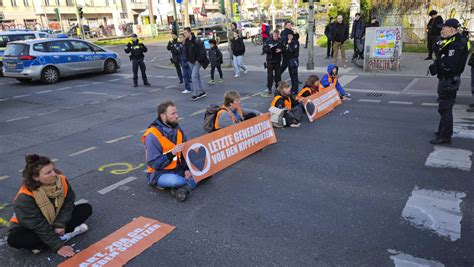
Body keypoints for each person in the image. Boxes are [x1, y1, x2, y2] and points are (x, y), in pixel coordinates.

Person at [7, 154, 92, 257]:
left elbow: (68, 204)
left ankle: (43, 244)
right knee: (14, 239)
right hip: (30, 226)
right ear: (36, 177)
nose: (54, 174)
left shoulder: (61, 181)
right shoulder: (25, 197)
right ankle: (66, 236)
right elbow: (38, 225)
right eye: (48, 173)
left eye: (53, 170)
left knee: (85, 209)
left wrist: (60, 223)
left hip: (55, 219)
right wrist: (58, 246)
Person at [142, 101, 197, 201]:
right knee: (177, 181)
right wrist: (171, 154)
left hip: (178, 169)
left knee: (205, 172)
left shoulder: (177, 129)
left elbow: (183, 154)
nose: (177, 116)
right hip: (159, 173)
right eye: (173, 113)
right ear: (163, 116)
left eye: (176, 112)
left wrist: (186, 169)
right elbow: (153, 163)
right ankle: (185, 185)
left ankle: (183, 188)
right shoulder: (152, 135)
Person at [430, 19, 470, 144]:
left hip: (449, 80)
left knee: (445, 108)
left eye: (444, 28)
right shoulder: (455, 40)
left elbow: (449, 65)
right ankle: (442, 130)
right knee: (444, 107)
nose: (442, 30)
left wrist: (438, 63)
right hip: (448, 79)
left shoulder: (456, 44)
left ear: (452, 29)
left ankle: (445, 136)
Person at [183, 27, 209, 101]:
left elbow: (203, 51)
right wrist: (187, 60)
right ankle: (202, 91)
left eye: (185, 33)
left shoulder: (196, 40)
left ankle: (196, 93)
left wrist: (198, 60)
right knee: (197, 75)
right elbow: (185, 51)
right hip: (190, 61)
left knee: (193, 76)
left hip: (197, 61)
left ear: (189, 32)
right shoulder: (187, 41)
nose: (184, 34)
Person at [263, 30, 284, 95]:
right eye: (274, 36)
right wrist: (270, 49)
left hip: (277, 60)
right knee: (270, 76)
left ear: (278, 36)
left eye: (276, 36)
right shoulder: (268, 40)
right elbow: (264, 49)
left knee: (278, 76)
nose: (275, 37)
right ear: (273, 35)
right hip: (270, 60)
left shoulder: (280, 41)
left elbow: (284, 48)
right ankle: (269, 87)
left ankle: (278, 88)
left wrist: (281, 50)